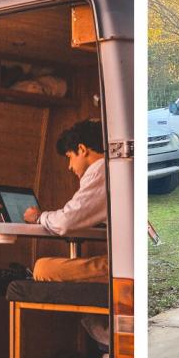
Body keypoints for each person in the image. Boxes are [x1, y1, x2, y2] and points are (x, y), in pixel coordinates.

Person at [22, 118, 109, 282]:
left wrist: (39, 217)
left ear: (82, 149)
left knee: (42, 268)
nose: (69, 166)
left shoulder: (101, 170)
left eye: (69, 157)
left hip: (122, 265)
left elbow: (66, 222)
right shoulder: (117, 167)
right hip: (125, 258)